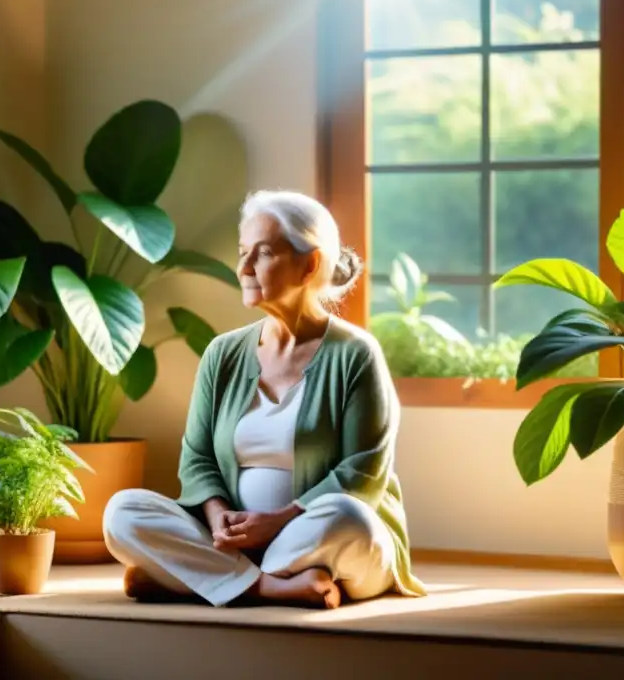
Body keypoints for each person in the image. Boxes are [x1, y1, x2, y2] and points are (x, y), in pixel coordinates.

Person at [102, 189, 426, 609]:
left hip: (321, 536)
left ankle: (197, 578)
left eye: (264, 253)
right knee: (121, 511)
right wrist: (218, 517)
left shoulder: (356, 354)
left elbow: (362, 471)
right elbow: (197, 458)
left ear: (309, 265)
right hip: (232, 542)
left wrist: (278, 521)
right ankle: (271, 586)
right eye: (242, 252)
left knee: (348, 517)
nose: (243, 267)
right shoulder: (223, 353)